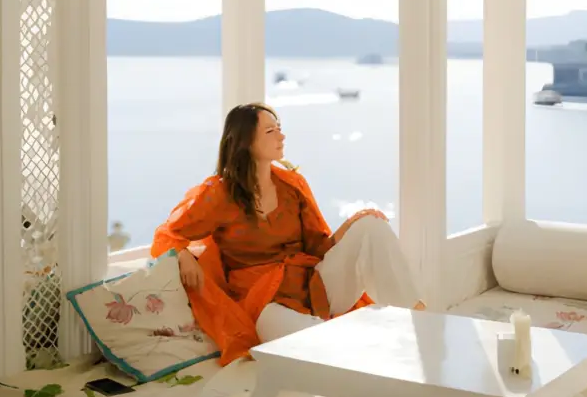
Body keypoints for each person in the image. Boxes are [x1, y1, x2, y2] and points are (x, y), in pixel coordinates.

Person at [151, 102, 424, 366]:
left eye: (279, 128)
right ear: (246, 141)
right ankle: (374, 348)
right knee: (324, 343)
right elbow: (168, 234)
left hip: (313, 285)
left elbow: (319, 247)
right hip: (264, 304)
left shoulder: (292, 185)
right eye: (271, 131)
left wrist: (352, 223)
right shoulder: (219, 195)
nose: (282, 136)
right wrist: (183, 255)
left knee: (371, 224)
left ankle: (418, 322)